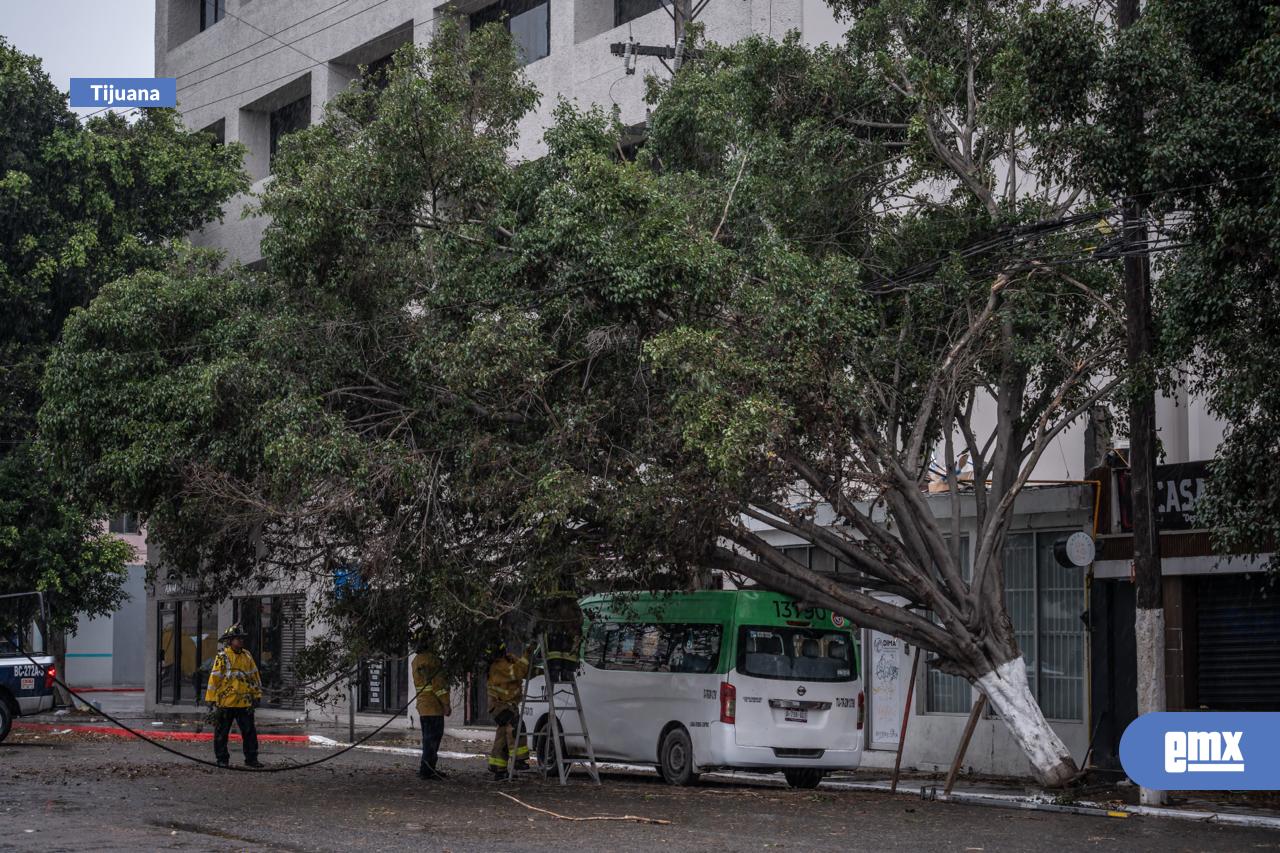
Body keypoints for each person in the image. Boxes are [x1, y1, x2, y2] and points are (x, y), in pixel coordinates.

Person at [204, 624, 263, 769]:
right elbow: (214, 679)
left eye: (242, 638)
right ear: (230, 641)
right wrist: (211, 700)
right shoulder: (222, 657)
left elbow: (254, 676)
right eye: (238, 639)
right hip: (226, 702)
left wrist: (257, 695)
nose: (241, 641)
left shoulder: (247, 656)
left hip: (244, 702)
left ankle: (251, 759)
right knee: (221, 734)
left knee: (249, 732)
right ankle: (222, 760)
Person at [486, 642, 529, 780]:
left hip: (505, 705)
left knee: (503, 736)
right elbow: (518, 672)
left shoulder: (507, 662)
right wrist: (528, 653)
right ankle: (519, 760)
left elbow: (525, 671)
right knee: (516, 726)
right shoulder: (498, 666)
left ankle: (498, 768)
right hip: (500, 706)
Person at [411, 636, 451, 781]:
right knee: (433, 740)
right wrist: (446, 703)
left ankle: (427, 769)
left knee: (428, 739)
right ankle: (427, 771)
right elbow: (438, 685)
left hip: (423, 706)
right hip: (434, 706)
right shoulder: (432, 660)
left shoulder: (416, 660)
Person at [538, 591, 582, 683]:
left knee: (555, 646)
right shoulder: (573, 606)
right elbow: (580, 620)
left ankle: (557, 672)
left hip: (557, 640)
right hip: (566, 644)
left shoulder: (552, 607)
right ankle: (564, 673)